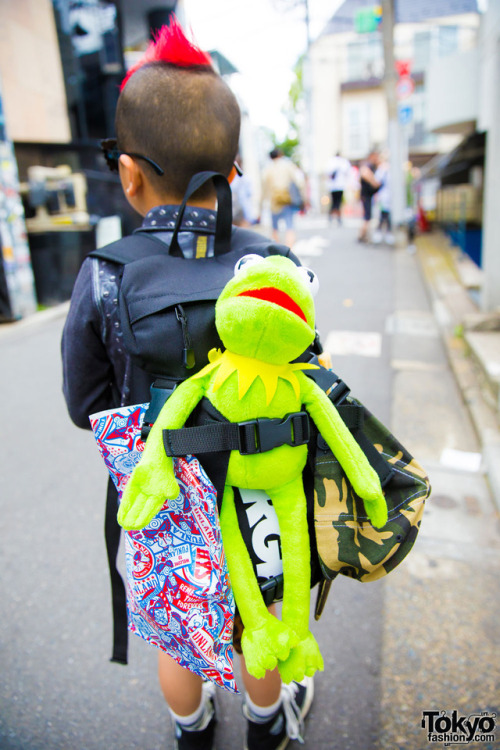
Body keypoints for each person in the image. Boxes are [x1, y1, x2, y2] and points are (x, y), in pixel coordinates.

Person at [61, 20, 313, 750]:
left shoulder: (105, 275)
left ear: (128, 174)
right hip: (264, 488)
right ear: (235, 171)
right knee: (254, 620)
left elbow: (86, 407)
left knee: (179, 632)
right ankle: (268, 723)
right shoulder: (277, 264)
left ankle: (192, 727)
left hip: (165, 494)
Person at [261, 148, 304, 247]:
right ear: (280, 155)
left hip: (273, 201)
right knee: (290, 226)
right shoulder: (287, 165)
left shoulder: (267, 169)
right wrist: (301, 195)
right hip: (286, 199)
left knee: (275, 228)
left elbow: (263, 189)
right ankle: (289, 250)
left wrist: (260, 206)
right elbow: (299, 181)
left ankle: (278, 251)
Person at [358, 150, 381, 243]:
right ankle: (362, 235)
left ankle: (362, 235)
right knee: (367, 216)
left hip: (368, 195)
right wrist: (374, 182)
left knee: (368, 216)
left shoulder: (371, 166)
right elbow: (365, 174)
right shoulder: (367, 165)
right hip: (365, 195)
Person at [325, 152, 351, 225]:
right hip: (340, 185)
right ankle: (338, 217)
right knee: (338, 203)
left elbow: (327, 173)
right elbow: (347, 172)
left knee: (334, 202)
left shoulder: (331, 162)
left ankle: (331, 217)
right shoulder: (343, 162)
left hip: (332, 186)